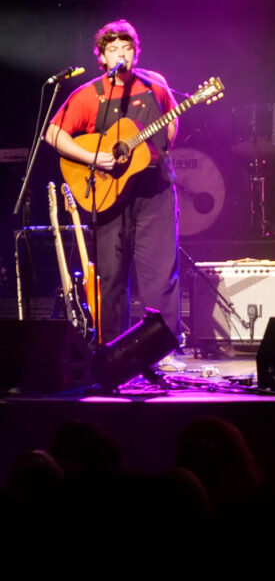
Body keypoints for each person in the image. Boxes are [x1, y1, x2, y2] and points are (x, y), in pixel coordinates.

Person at [46, 19, 181, 346]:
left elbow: (172, 117)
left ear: (136, 52)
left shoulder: (154, 85)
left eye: (128, 48)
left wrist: (153, 152)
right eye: (114, 49)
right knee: (111, 278)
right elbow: (53, 133)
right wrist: (92, 158)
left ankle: (163, 349)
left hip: (155, 192)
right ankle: (113, 352)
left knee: (160, 276)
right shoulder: (89, 94)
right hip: (108, 194)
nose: (122, 53)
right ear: (102, 57)